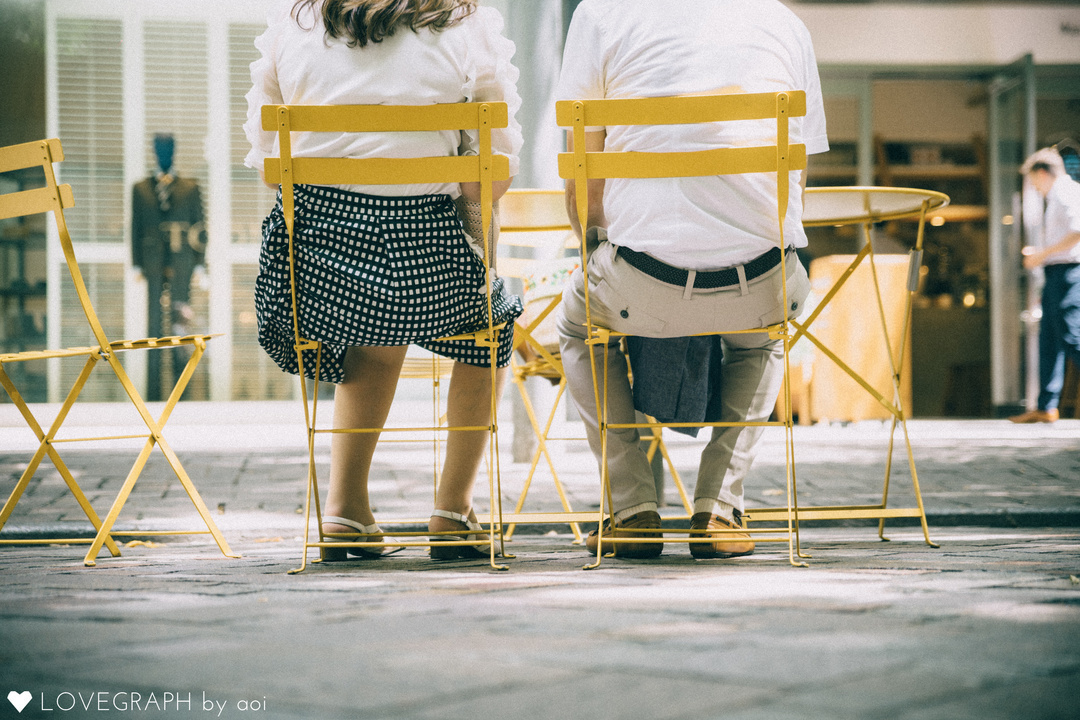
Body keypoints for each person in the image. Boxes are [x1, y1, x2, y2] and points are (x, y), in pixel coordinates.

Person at [244, 0, 523, 560]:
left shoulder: (292, 29)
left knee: (375, 323)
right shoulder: (468, 29)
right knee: (492, 325)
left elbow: (272, 164)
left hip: (313, 267)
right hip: (424, 261)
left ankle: (345, 508)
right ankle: (452, 510)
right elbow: (485, 182)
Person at [554, 0, 828, 558]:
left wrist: (610, 244)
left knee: (577, 330)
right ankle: (719, 508)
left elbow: (584, 185)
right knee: (763, 337)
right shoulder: (785, 22)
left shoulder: (600, 15)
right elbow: (795, 180)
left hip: (642, 282)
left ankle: (631, 510)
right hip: (760, 279)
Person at [1009, 147, 1080, 424]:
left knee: (1072, 335)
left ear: (1041, 173)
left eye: (1033, 181)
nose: (1034, 187)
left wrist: (1041, 254)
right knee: (1049, 340)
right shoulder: (1058, 195)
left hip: (1068, 273)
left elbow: (1078, 230)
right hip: (1057, 274)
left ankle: (1046, 405)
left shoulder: (1065, 192)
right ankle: (1046, 406)